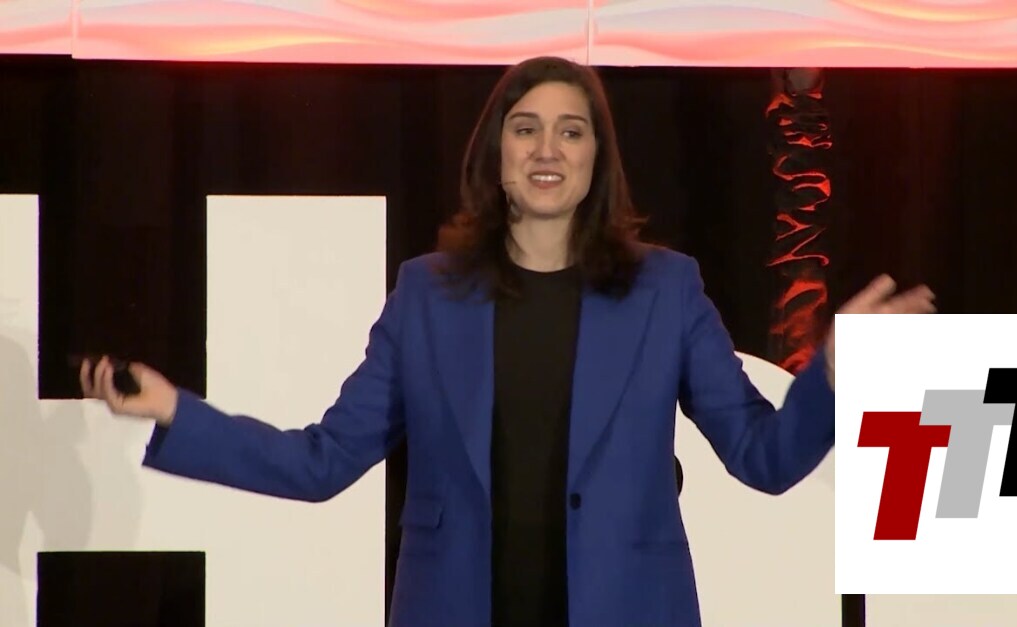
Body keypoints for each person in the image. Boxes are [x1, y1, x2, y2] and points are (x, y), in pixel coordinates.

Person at [81, 56, 935, 626]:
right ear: (495, 153)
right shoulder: (426, 294)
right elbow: (322, 461)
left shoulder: (665, 290)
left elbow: (763, 456)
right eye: (525, 127)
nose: (546, 147)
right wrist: (175, 411)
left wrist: (835, 369)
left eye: (571, 129)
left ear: (597, 158)